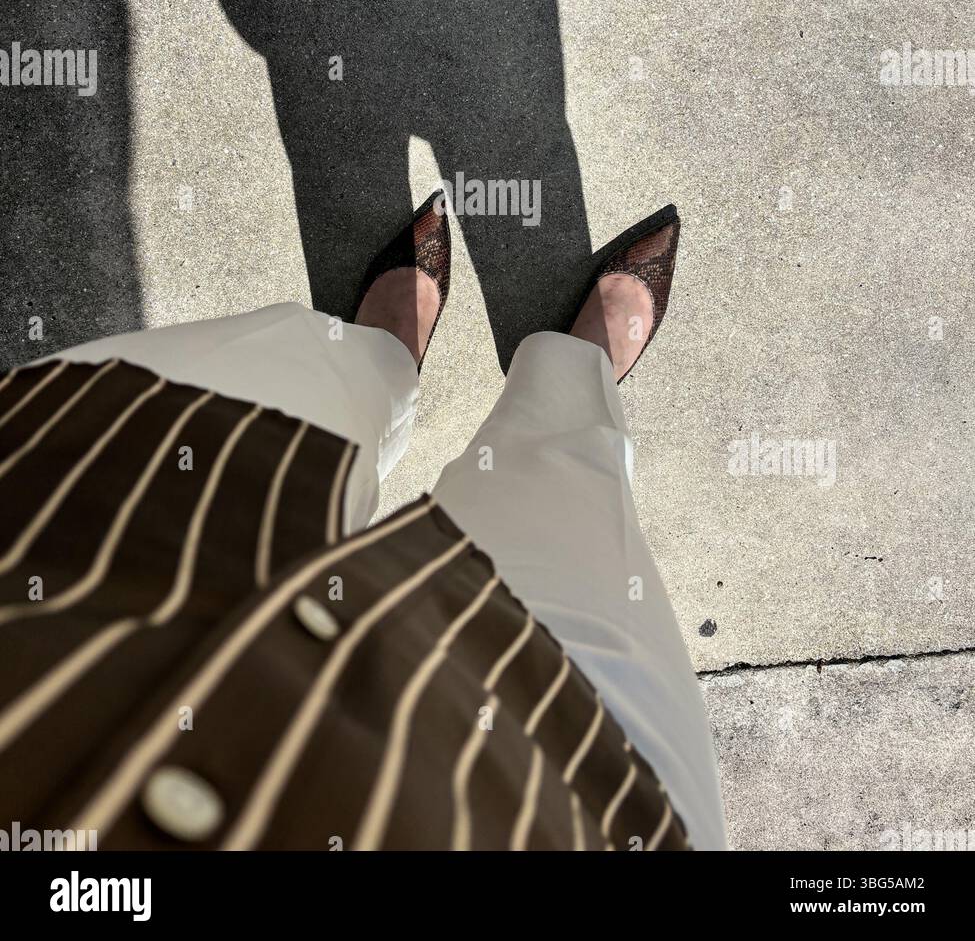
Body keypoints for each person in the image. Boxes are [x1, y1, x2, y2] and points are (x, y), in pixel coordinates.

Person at [0, 196, 727, 851]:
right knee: (572, 516)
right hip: (542, 802)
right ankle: (574, 379)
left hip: (59, 595)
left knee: (265, 401)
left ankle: (379, 361)